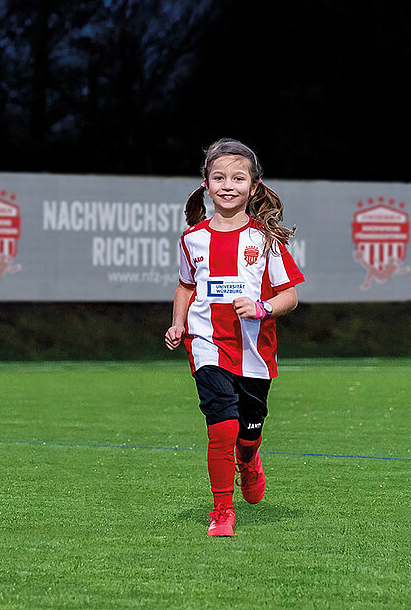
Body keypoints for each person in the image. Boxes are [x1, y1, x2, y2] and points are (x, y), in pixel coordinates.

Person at [164, 138, 304, 537]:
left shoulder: (265, 239)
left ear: (254, 186)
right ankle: (222, 511)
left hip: (255, 354)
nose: (228, 185)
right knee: (221, 426)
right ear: (205, 184)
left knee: (246, 433)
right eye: (219, 177)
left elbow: (290, 296)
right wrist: (178, 324)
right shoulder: (192, 239)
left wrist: (261, 308)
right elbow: (185, 286)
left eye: (238, 178)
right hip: (206, 342)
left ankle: (250, 458)